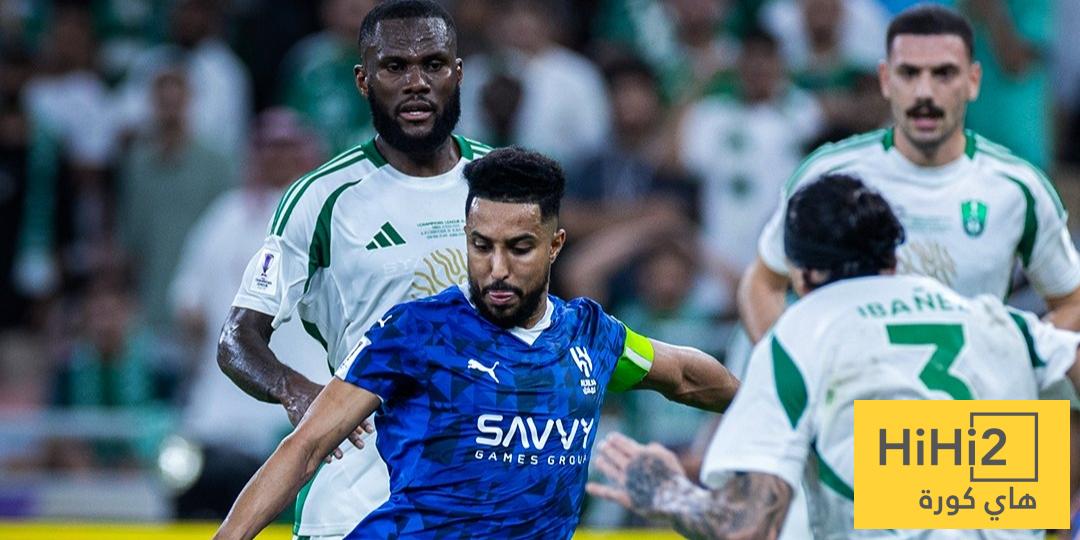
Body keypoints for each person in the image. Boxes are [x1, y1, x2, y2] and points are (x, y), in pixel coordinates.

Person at [212, 146, 740, 540]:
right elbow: (304, 447)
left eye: (519, 248)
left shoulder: (589, 336)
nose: (497, 269)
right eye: (481, 246)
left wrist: (767, 406)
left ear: (555, 244)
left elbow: (686, 376)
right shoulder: (416, 331)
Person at [588, 174, 1080, 539]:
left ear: (800, 274)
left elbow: (749, 527)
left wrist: (667, 492)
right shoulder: (996, 320)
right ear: (892, 259)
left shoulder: (800, 334)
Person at [217, 2, 493, 539]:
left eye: (434, 64)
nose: (417, 82)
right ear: (363, 81)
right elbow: (236, 338)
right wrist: (296, 391)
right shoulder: (321, 197)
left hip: (479, 498)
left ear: (458, 74)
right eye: (395, 67)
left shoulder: (502, 182)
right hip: (356, 502)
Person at [740, 4, 1080, 346]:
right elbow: (762, 282)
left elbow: (1072, 300)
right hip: (854, 382)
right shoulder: (829, 173)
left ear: (973, 81)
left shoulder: (1019, 187)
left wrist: (1023, 360)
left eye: (944, 73)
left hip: (971, 384)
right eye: (909, 73)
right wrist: (789, 366)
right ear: (885, 80)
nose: (924, 93)